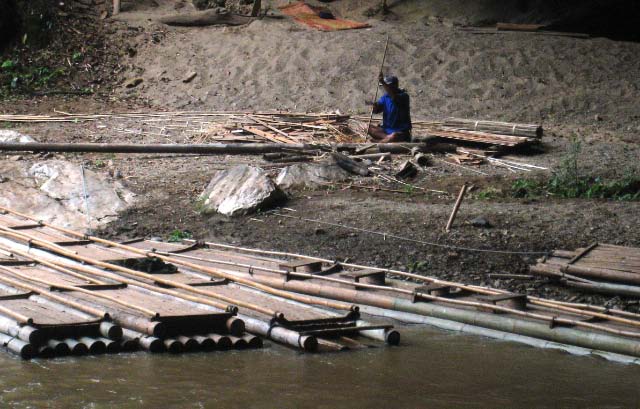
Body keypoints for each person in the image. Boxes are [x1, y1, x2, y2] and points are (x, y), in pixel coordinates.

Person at [368, 73, 412, 142]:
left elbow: (394, 98)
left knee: (394, 136)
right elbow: (377, 110)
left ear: (395, 85)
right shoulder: (385, 97)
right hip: (386, 131)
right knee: (367, 127)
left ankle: (380, 142)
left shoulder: (404, 96)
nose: (385, 88)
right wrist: (375, 106)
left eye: (388, 86)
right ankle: (387, 139)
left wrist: (383, 82)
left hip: (400, 131)